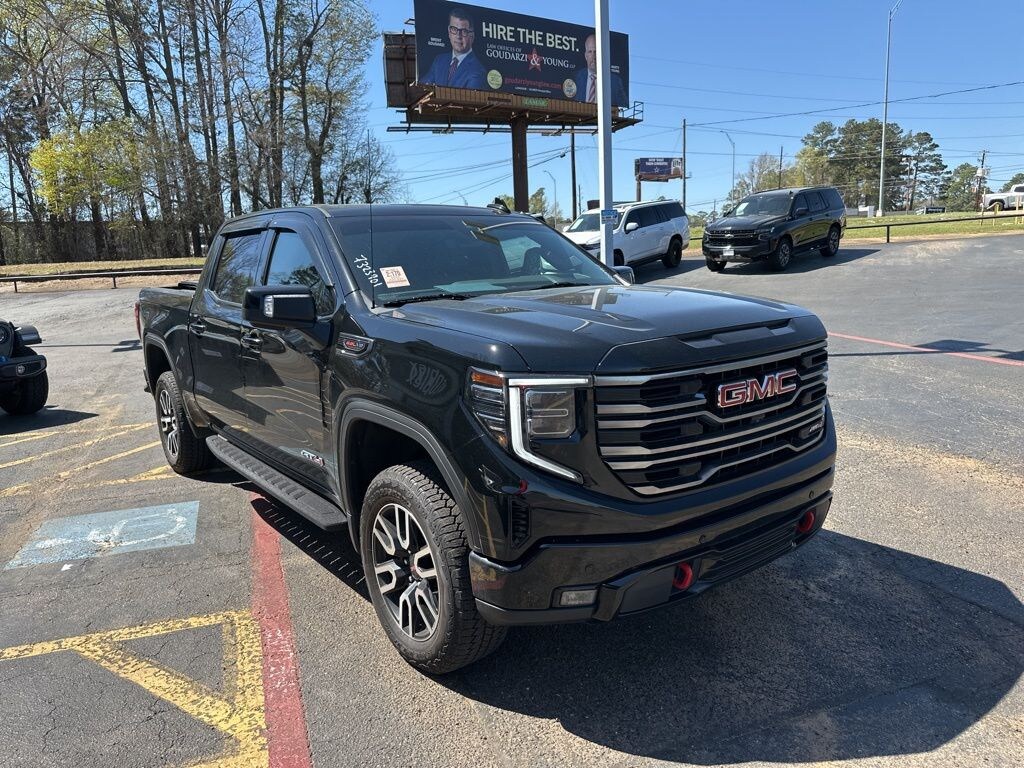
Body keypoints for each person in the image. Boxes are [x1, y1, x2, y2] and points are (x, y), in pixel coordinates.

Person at [421, 7, 487, 90]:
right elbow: (422, 87)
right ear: (449, 32)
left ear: (472, 36)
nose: (458, 36)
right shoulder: (439, 60)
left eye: (464, 31)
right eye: (454, 29)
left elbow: (468, 100)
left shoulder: (477, 71)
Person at [572, 34, 627, 106]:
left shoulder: (615, 82)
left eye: (596, 52)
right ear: (586, 56)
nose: (593, 56)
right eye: (590, 52)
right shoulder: (576, 77)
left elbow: (624, 103)